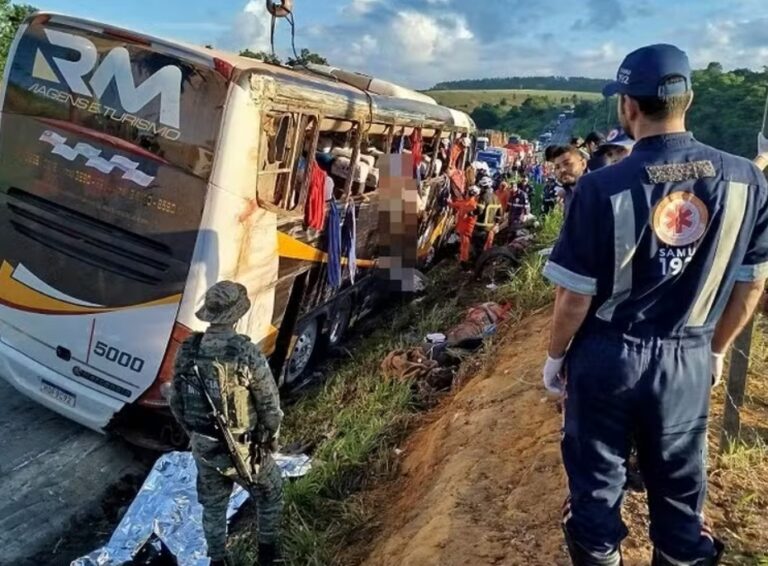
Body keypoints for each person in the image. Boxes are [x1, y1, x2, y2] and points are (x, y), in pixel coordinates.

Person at [541, 44, 768, 566]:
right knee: (680, 487)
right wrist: (714, 350)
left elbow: (574, 295)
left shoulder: (600, 187)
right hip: (687, 355)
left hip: (606, 356)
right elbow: (750, 286)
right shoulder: (746, 181)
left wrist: (556, 359)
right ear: (689, 99)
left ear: (628, 107)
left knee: (596, 488)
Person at [169, 282, 284, 566]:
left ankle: (218, 561)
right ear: (236, 314)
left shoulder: (189, 349)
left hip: (203, 446)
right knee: (271, 493)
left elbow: (175, 400)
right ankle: (267, 557)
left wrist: (193, 433)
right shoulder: (244, 352)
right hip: (241, 447)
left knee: (213, 506)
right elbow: (270, 407)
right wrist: (271, 439)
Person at [549, 145, 588, 218]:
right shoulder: (567, 194)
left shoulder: (596, 192)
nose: (562, 170)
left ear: (583, 164)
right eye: (557, 167)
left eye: (567, 164)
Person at [450, 185, 480, 269]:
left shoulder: (469, 204)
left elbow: (456, 205)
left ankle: (464, 262)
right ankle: (463, 260)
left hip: (466, 228)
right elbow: (455, 204)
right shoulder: (472, 204)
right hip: (466, 228)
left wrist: (449, 202)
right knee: (464, 245)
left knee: (465, 246)